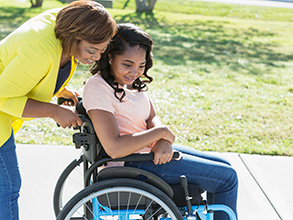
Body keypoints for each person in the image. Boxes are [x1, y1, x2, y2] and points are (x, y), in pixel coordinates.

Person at [83, 23, 238, 220]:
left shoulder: (130, 85)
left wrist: (163, 140)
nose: (135, 72)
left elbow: (151, 118)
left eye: (141, 66)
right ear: (110, 57)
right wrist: (161, 133)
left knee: (224, 164)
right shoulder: (98, 88)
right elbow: (114, 148)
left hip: (147, 153)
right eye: (127, 64)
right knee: (227, 178)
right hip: (131, 164)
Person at [0, 1, 117, 219]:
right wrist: (54, 111)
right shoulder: (39, 50)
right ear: (73, 38)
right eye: (92, 50)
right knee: (6, 188)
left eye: (102, 50)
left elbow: (38, 70)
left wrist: (58, 88)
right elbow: (2, 96)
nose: (97, 57)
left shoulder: (66, 22)